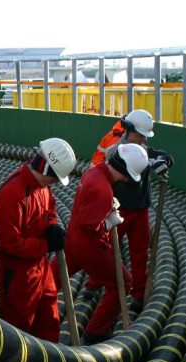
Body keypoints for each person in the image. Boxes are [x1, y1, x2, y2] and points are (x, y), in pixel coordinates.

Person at [55, 143, 149, 345]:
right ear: (125, 171)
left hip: (73, 239)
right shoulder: (103, 190)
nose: (126, 179)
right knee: (123, 282)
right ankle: (96, 332)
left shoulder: (94, 172)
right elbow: (91, 226)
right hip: (88, 246)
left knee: (50, 280)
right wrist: (109, 221)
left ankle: (27, 304)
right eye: (128, 175)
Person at [0, 137, 77, 343]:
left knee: (49, 322)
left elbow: (49, 209)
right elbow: (8, 242)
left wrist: (51, 226)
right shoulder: (13, 193)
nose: (56, 182)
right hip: (17, 275)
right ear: (46, 170)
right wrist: (46, 245)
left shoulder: (43, 187)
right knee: (19, 333)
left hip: (40, 268)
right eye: (56, 178)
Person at [104, 109, 174, 314]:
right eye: (141, 134)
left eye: (145, 136)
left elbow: (166, 156)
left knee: (140, 252)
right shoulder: (114, 152)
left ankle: (138, 295)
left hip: (140, 210)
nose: (143, 138)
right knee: (107, 249)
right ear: (128, 130)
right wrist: (150, 162)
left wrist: (163, 161)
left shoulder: (145, 149)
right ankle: (96, 286)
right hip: (119, 210)